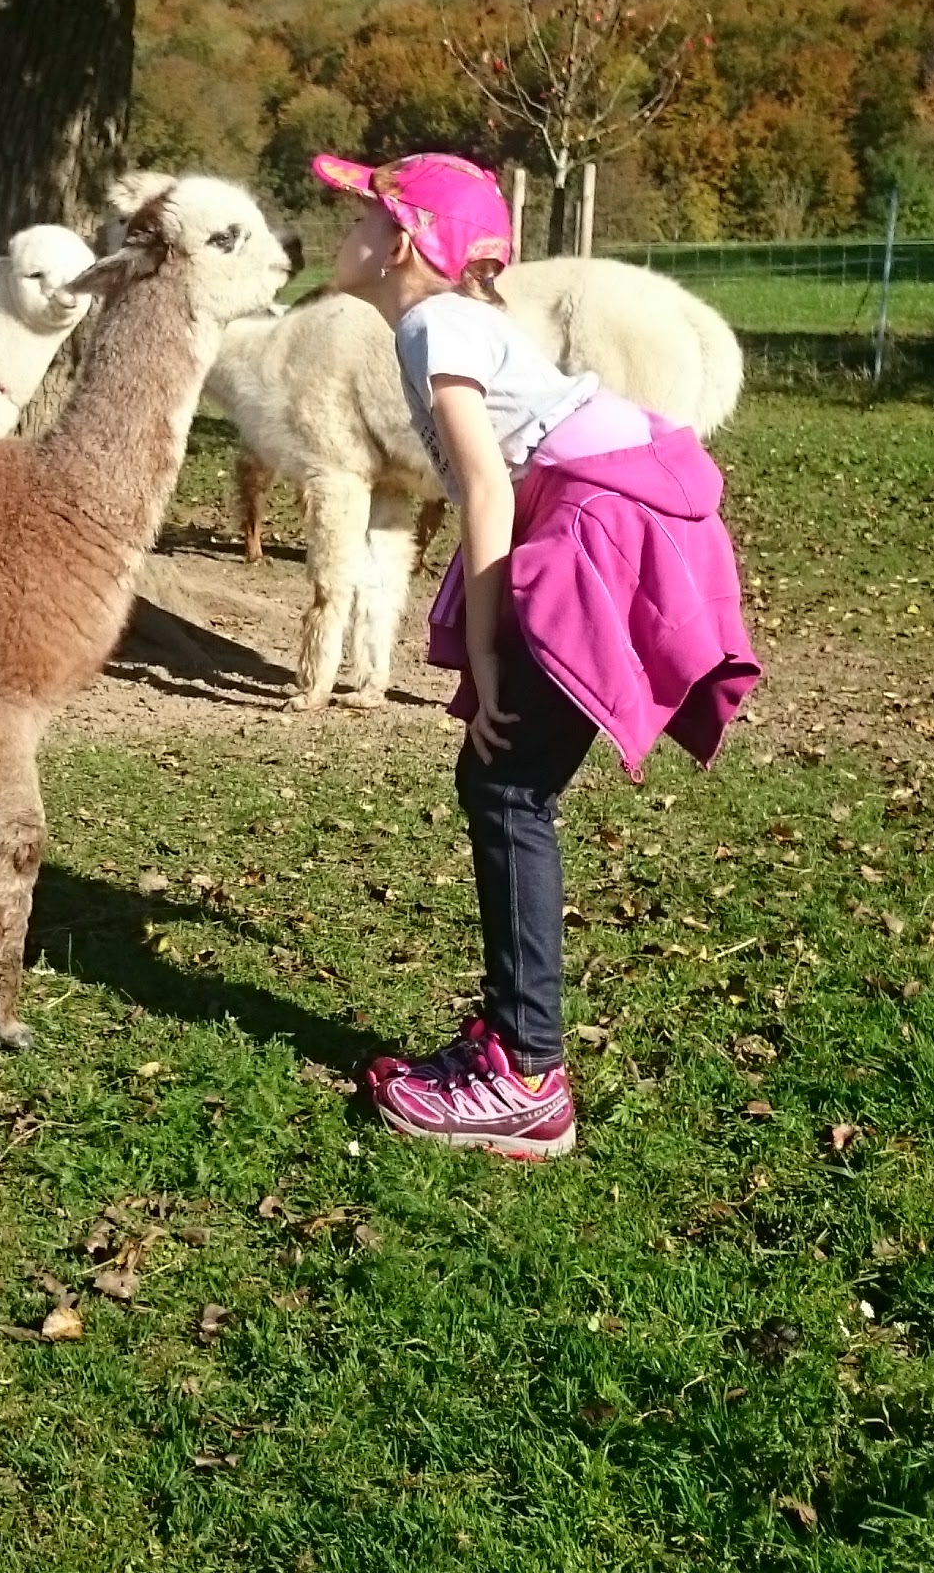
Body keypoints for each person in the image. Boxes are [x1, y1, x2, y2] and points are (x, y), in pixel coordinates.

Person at [312, 152, 762, 1159]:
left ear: (402, 245)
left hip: (600, 528)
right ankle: (515, 1047)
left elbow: (482, 487)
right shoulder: (456, 322)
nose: (337, 231)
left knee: (507, 785)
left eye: (356, 216)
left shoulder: (431, 326)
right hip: (604, 516)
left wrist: (489, 650)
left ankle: (524, 1075)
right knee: (502, 783)